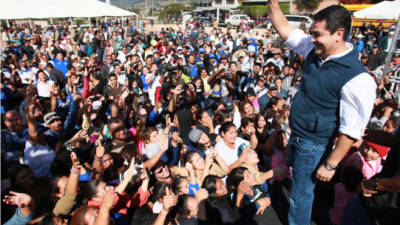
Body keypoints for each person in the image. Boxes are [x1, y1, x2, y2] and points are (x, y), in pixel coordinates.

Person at [268, 2, 376, 225]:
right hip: (297, 134)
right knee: (300, 186)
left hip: (313, 144)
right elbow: (284, 28)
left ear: (339, 34)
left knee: (301, 196)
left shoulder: (357, 78)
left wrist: (330, 165)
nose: (312, 38)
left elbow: (351, 130)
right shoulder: (314, 50)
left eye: (317, 34)